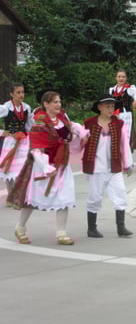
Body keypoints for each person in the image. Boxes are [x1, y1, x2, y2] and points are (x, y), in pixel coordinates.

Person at [11, 91, 88, 245]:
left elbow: (73, 127)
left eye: (59, 101)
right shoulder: (39, 124)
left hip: (62, 165)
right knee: (32, 199)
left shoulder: (62, 119)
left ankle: (61, 233)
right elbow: (36, 149)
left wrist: (82, 133)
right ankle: (20, 227)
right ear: (46, 104)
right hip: (43, 166)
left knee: (64, 197)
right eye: (55, 102)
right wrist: (46, 167)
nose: (58, 104)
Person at [82, 95, 134, 238]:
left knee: (120, 193)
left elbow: (124, 144)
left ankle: (121, 227)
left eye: (112, 106)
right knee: (95, 197)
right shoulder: (89, 123)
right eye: (107, 106)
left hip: (114, 166)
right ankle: (91, 228)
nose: (110, 109)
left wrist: (127, 163)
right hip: (95, 167)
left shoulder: (119, 123)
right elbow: (79, 143)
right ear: (100, 107)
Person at [0, 83, 32, 208]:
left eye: (22, 92)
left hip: (23, 141)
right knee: (9, 170)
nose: (21, 95)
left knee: (21, 168)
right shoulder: (6, 107)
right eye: (18, 92)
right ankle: (10, 197)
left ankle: (18, 197)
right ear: (11, 94)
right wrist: (2, 132)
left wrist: (32, 137)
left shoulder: (27, 107)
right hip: (10, 141)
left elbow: (29, 125)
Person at [109, 69, 136, 151]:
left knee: (126, 135)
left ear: (126, 78)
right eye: (119, 76)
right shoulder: (112, 90)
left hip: (126, 114)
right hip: (114, 115)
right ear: (116, 78)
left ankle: (127, 152)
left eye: (123, 77)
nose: (121, 78)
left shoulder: (129, 89)